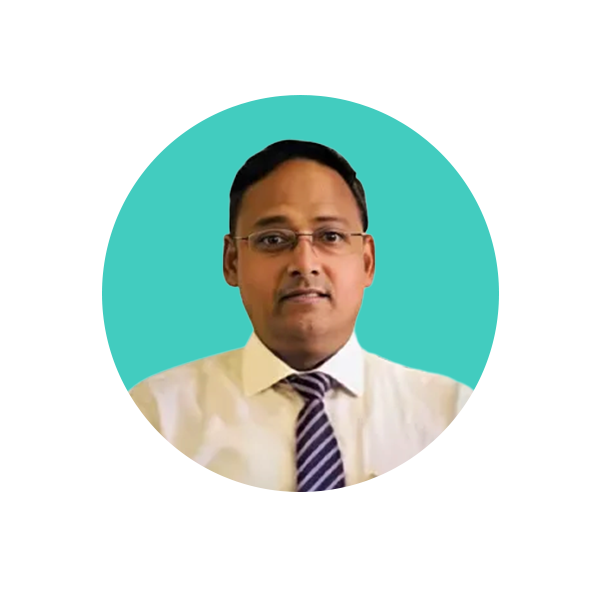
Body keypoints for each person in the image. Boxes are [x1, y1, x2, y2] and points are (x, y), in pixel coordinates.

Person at [100, 139, 500, 493]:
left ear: (366, 261)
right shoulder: (155, 415)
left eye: (330, 236)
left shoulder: (451, 415)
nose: (304, 263)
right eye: (273, 239)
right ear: (232, 261)